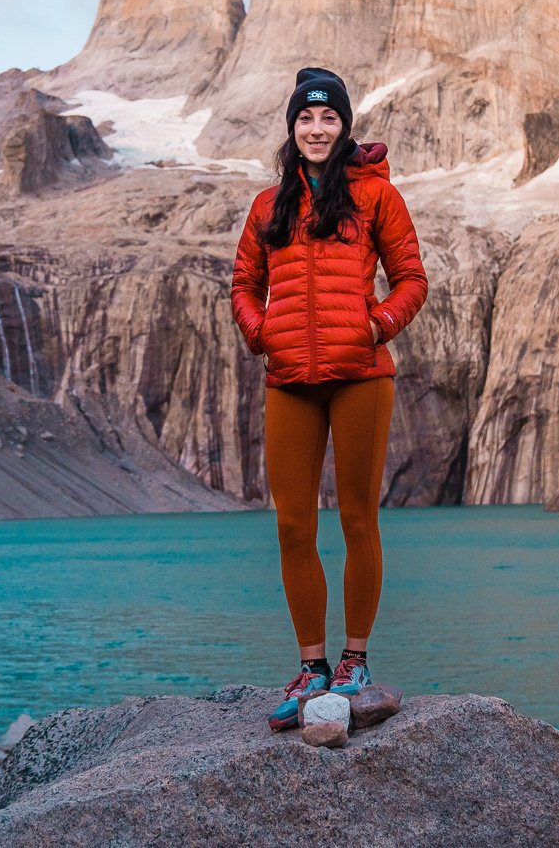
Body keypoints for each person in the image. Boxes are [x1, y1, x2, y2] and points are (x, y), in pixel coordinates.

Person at [230, 66, 428, 731]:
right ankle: (311, 667)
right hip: (290, 380)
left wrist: (376, 325)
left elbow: (411, 278)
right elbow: (242, 285)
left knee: (357, 520)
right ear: (293, 128)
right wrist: (263, 337)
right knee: (291, 525)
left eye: (329, 118)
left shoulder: (375, 198)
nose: (318, 129)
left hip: (361, 377)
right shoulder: (267, 206)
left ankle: (355, 661)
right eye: (307, 119)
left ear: (344, 127)